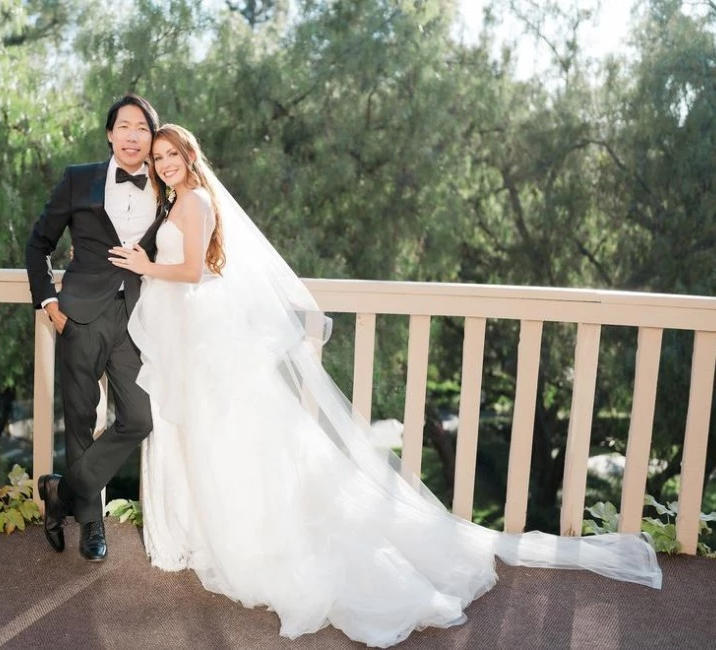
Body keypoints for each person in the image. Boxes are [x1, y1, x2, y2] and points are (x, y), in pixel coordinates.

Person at [108, 124, 662, 647]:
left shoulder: (195, 201)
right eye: (158, 159)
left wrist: (143, 264)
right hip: (198, 336)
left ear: (190, 158)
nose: (164, 164)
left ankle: (253, 540)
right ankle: (214, 531)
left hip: (205, 335)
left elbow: (192, 271)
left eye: (171, 156)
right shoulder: (177, 202)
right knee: (218, 438)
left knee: (234, 439)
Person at [24, 94, 168, 561]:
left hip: (138, 319)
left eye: (142, 128)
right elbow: (38, 243)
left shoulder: (167, 188)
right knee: (82, 420)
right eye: (124, 126)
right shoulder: (78, 179)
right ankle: (91, 525)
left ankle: (61, 491)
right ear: (110, 134)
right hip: (79, 315)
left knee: (138, 418)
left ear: (152, 138)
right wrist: (49, 302)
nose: (132, 135)